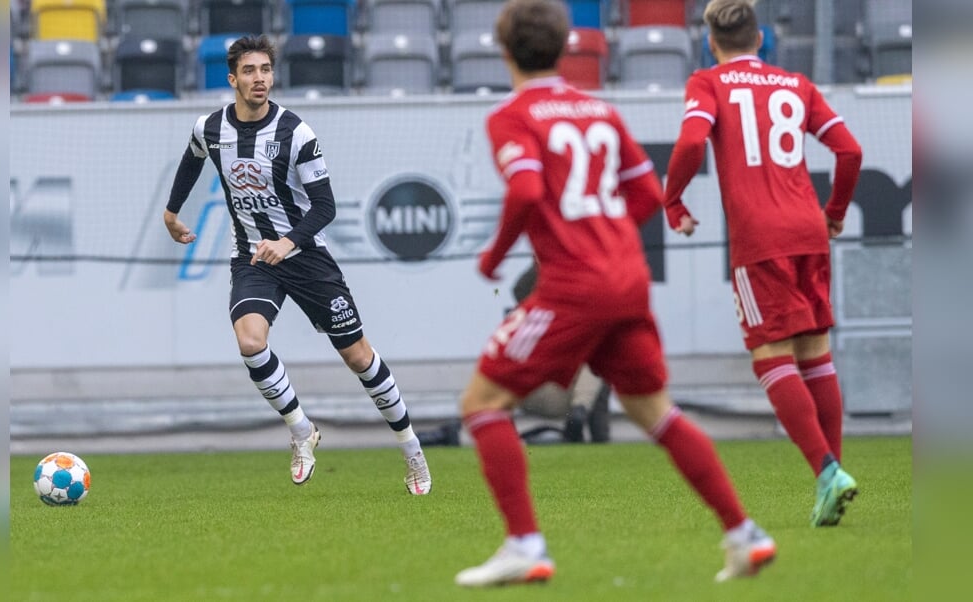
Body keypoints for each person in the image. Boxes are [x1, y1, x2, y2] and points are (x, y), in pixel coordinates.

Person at [454, 0, 775, 587]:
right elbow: (649, 194)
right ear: (565, 49)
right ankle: (742, 533)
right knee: (653, 410)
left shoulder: (511, 116)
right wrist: (605, 239)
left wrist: (494, 258)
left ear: (504, 53)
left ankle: (524, 543)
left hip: (575, 285)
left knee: (481, 403)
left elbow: (525, 192)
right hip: (626, 277)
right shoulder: (599, 110)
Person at [162, 35, 431, 496]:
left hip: (305, 257)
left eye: (265, 69)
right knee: (250, 342)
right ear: (233, 79)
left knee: (359, 358)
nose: (259, 78)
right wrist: (171, 212)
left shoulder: (295, 132)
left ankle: (411, 449)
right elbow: (192, 160)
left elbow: (325, 207)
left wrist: (287, 242)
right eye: (249, 71)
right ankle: (302, 430)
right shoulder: (210, 128)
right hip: (252, 258)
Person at [662, 0, 863, 527]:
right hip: (808, 231)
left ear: (712, 41)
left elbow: (689, 141)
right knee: (815, 352)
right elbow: (850, 151)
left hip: (761, 238)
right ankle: (833, 475)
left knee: (770, 354)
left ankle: (826, 472)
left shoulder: (708, 83)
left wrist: (673, 200)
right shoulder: (795, 84)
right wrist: (834, 213)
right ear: (761, 38)